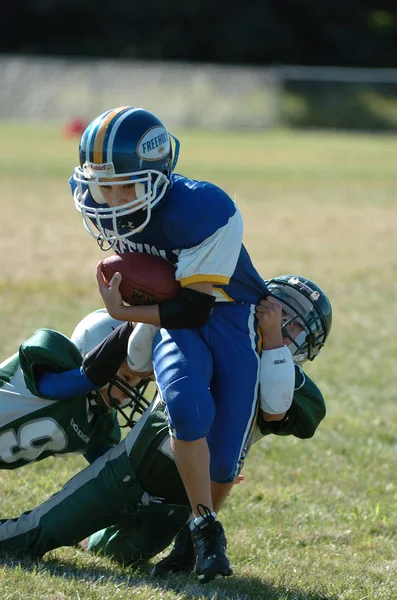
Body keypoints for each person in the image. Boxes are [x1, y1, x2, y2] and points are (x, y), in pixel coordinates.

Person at [0, 275, 332, 583]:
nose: (283, 326)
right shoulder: (216, 332)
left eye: (295, 328)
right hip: (123, 472)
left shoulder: (295, 388)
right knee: (32, 536)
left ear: (308, 346)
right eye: (276, 312)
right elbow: (138, 358)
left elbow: (279, 411)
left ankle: (92, 538)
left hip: (177, 501)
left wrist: (273, 345)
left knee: (120, 555)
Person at [70, 105, 276, 582]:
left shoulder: (204, 209)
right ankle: (206, 527)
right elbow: (175, 309)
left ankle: (189, 537)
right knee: (185, 406)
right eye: (102, 183)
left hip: (229, 315)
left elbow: (196, 308)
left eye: (125, 185)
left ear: (158, 176)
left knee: (225, 453)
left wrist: (123, 314)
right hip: (176, 322)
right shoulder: (104, 195)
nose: (109, 198)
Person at [0, 309, 144, 468]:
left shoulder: (99, 424)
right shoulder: (52, 368)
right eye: (126, 378)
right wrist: (129, 330)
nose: (129, 392)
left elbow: (111, 470)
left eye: (136, 385)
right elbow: (67, 385)